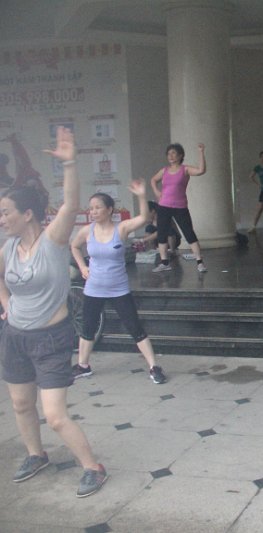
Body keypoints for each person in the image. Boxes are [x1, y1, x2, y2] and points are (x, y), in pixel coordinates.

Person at [0, 126, 108, 497]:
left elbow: (71, 205)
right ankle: (36, 454)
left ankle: (93, 467)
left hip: (50, 338)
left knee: (55, 415)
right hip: (15, 336)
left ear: (27, 214)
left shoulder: (53, 240)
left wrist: (71, 164)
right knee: (19, 402)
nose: (1, 219)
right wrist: (6, 303)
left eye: (6, 212)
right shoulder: (8, 249)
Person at [69, 181, 167, 384]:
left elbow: (143, 218)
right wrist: (83, 267)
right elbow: (74, 247)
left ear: (109, 209)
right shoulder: (87, 231)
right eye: (91, 208)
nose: (93, 211)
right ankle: (83, 366)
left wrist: (141, 196)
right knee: (87, 328)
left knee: (135, 328)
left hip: (118, 289)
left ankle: (153, 367)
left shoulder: (121, 229)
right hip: (94, 288)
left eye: (97, 207)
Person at [150, 142, 207, 273]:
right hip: (163, 206)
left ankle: (200, 262)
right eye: (169, 153)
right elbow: (153, 180)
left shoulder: (185, 169)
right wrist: (156, 192)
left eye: (173, 153)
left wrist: (201, 152)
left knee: (189, 233)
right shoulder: (164, 170)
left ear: (180, 155)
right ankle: (165, 263)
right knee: (162, 234)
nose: (170, 156)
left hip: (180, 206)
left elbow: (201, 170)